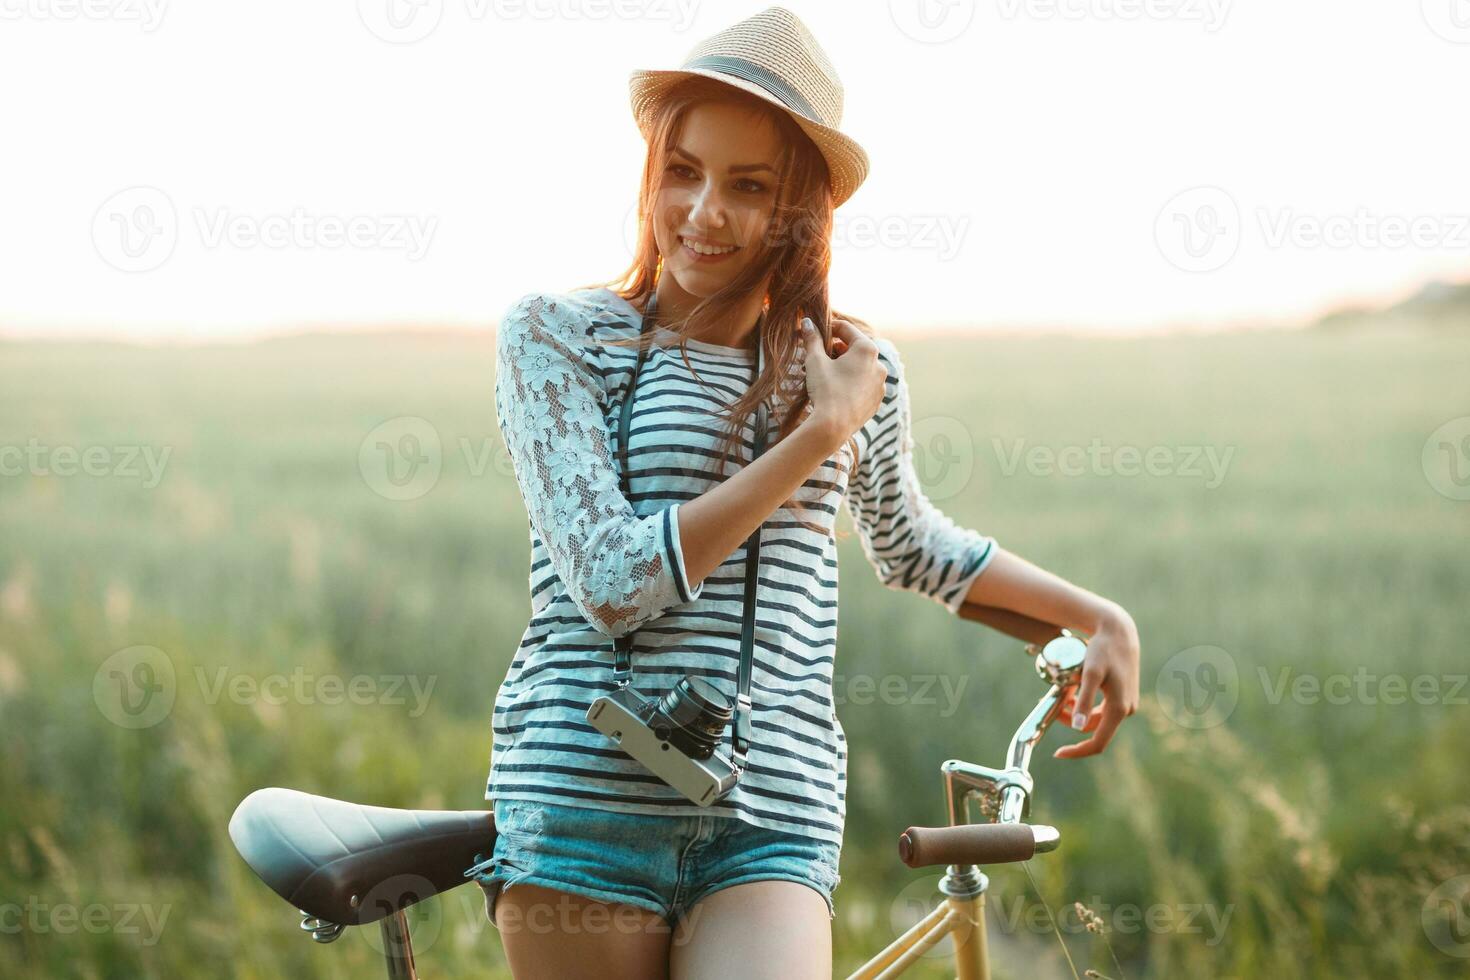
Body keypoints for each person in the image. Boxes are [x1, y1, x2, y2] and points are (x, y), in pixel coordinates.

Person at [478, 8, 1141, 978]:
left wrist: (1093, 614)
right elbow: (614, 578)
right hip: (587, 805)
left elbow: (912, 545)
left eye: (748, 186)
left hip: (770, 818)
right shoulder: (560, 337)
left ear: (802, 211)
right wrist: (817, 437)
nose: (704, 210)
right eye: (683, 170)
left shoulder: (852, 366)